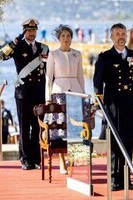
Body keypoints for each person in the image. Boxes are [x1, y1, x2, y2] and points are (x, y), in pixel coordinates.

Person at [93, 23, 133, 191]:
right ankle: (114, 179)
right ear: (111, 37)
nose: (121, 36)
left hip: (130, 103)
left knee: (129, 142)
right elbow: (97, 84)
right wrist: (99, 106)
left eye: (123, 33)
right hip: (112, 104)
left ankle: (126, 178)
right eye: (117, 34)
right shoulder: (105, 57)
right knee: (115, 144)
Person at [0, 18, 49, 170]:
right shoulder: (18, 47)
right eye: (29, 30)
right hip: (23, 93)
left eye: (34, 30)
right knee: (24, 126)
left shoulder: (43, 48)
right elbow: (0, 55)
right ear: (24, 31)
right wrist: (14, 42)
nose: (32, 33)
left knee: (37, 126)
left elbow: (49, 70)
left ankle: (36, 158)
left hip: (39, 93)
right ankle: (25, 159)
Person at [45, 24, 85, 174]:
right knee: (60, 128)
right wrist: (48, 97)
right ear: (58, 38)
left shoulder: (78, 54)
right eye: (63, 36)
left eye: (68, 36)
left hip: (75, 92)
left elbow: (81, 76)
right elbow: (49, 77)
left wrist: (83, 94)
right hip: (58, 93)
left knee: (74, 128)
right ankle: (62, 161)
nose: (66, 39)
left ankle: (73, 160)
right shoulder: (53, 54)